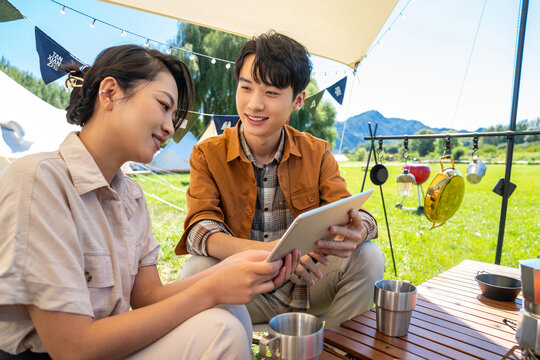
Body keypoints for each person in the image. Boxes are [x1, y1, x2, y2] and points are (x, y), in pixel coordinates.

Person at [0, 45, 294, 360]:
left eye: (174, 116)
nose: (170, 127)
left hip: (106, 346)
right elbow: (71, 347)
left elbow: (148, 297)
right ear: (110, 93)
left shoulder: (132, 197)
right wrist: (210, 289)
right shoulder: (39, 180)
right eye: (163, 106)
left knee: (227, 308)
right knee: (220, 330)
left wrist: (227, 271)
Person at [176, 31, 386, 329]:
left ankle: (337, 350)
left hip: (310, 283)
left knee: (369, 257)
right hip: (244, 290)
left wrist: (361, 228)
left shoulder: (317, 151)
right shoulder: (207, 154)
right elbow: (201, 231)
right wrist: (277, 254)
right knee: (196, 269)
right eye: (246, 88)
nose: (254, 104)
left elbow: (351, 209)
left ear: (298, 100)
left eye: (271, 93)